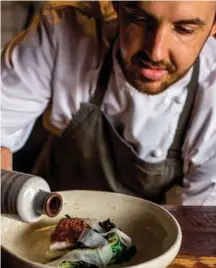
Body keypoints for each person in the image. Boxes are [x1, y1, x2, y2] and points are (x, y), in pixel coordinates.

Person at [1, 1, 216, 205]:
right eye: (139, 18)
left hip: (148, 236)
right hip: (45, 219)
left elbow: (200, 218)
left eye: (184, 29)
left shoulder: (211, 90)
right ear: (116, 4)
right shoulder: (63, 33)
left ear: (213, 26)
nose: (155, 52)